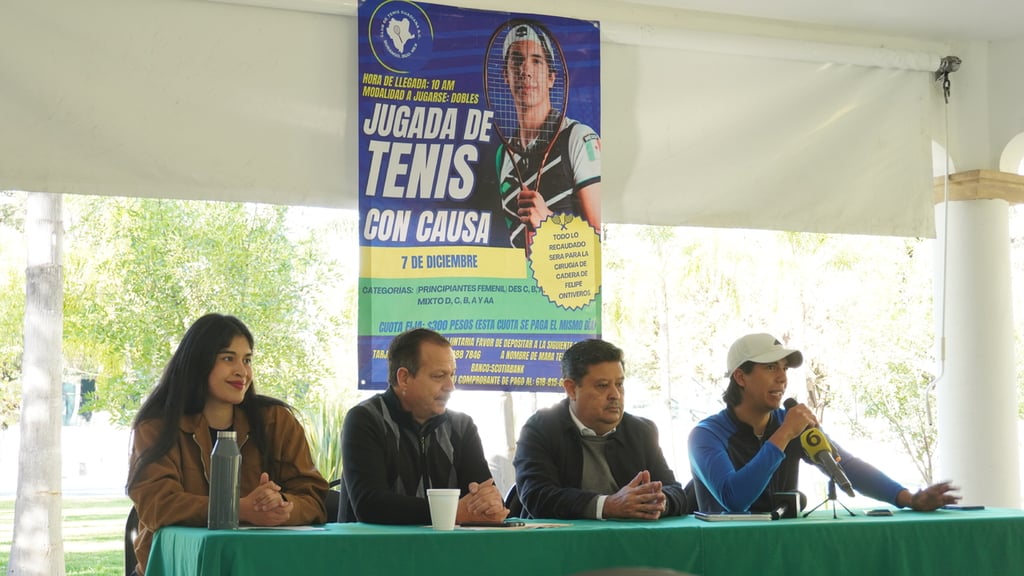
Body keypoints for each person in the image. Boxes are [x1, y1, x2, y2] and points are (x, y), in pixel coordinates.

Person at [126, 313, 328, 576]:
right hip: (178, 567)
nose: (242, 371)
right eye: (228, 358)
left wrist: (280, 506)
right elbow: (157, 505)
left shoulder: (276, 421)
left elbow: (313, 497)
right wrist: (239, 509)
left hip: (261, 565)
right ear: (198, 362)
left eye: (247, 360)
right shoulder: (156, 426)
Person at [689, 332, 960, 514]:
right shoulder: (706, 435)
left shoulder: (790, 424)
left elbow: (845, 465)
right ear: (740, 377)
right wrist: (784, 435)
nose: (782, 378)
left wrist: (908, 499)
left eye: (784, 368)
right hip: (725, 558)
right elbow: (734, 500)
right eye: (770, 367)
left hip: (781, 553)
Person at [338, 328, 508, 524]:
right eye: (438, 376)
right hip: (376, 551)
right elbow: (370, 505)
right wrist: (451, 513)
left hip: (448, 551)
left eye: (452, 375)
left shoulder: (462, 427)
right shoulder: (366, 419)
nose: (450, 386)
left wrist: (491, 504)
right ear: (404, 378)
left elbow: (485, 495)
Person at [513, 339, 695, 519]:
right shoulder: (540, 429)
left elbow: (676, 492)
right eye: (602, 386)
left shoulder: (642, 431)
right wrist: (607, 506)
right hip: (560, 544)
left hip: (630, 542)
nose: (615, 395)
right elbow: (537, 496)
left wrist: (658, 501)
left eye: (619, 384)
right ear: (571, 389)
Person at [496, 21, 601, 248]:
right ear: (506, 75)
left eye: (536, 60)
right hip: (520, 283)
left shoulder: (578, 138)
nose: (526, 71)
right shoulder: (502, 156)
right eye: (517, 61)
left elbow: (601, 238)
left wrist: (547, 221)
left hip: (570, 280)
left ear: (551, 78)